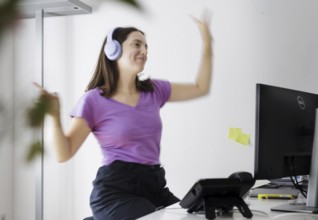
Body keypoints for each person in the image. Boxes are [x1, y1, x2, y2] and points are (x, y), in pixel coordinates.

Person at [35, 13, 212, 220]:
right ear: (113, 50)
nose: (144, 51)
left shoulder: (154, 91)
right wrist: (54, 117)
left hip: (155, 186)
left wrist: (207, 42)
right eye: (137, 45)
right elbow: (63, 153)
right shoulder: (94, 100)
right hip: (116, 192)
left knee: (194, 217)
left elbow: (200, 87)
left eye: (146, 47)